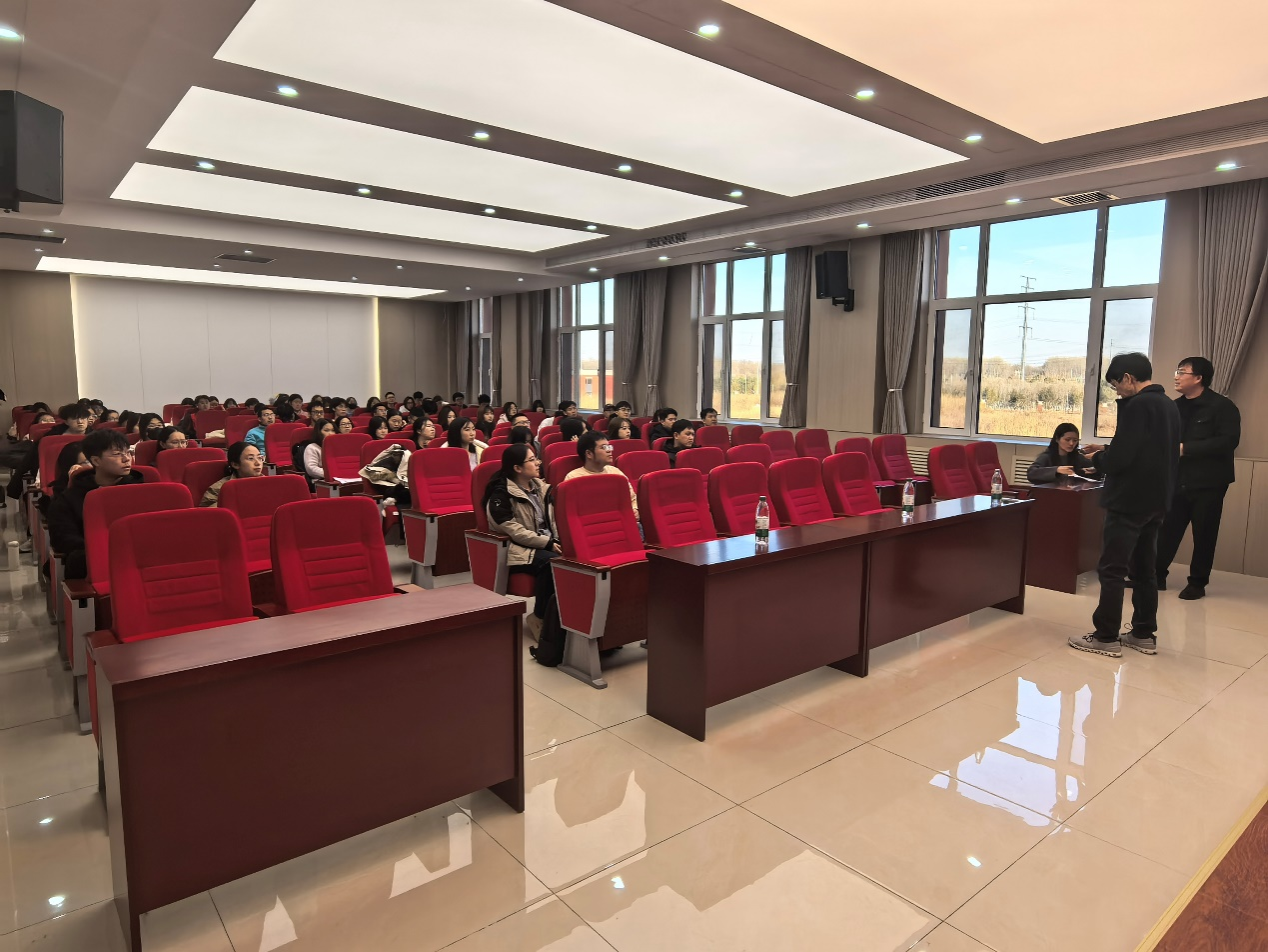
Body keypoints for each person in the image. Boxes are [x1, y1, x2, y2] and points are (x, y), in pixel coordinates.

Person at [1069, 353, 1179, 658]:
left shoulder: (1137, 405)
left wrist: (1098, 459)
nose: (1117, 391)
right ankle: (1143, 633)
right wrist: (1107, 449)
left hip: (1129, 501)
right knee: (1145, 569)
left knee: (1112, 569)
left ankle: (1105, 637)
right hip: (1157, 499)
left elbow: (1121, 459)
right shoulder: (1168, 405)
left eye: (1116, 384)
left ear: (1128, 378)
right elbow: (1150, 448)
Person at [1151, 357, 1241, 600]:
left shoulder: (1222, 406)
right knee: (1167, 529)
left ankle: (1197, 583)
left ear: (1199, 378)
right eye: (1177, 371)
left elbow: (1228, 441)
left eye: (1182, 372)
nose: (1176, 376)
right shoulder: (1174, 407)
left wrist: (1186, 449)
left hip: (1209, 483)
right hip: (1177, 479)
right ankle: (1156, 576)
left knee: (1204, 534)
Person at [484, 443, 557, 641]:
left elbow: (554, 520)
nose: (538, 463)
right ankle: (539, 617)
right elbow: (515, 532)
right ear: (517, 468)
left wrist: (559, 540)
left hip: (545, 542)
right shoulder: (501, 495)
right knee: (551, 562)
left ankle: (566, 619)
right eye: (532, 460)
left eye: (536, 458)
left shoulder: (542, 488)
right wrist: (548, 543)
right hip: (517, 549)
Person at [47, 429, 143, 579]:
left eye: (128, 452)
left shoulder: (145, 491)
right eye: (117, 454)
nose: (126, 459)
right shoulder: (70, 498)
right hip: (97, 561)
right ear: (96, 461)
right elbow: (63, 539)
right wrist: (103, 551)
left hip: (142, 558)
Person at [560, 431, 638, 518]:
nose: (609, 450)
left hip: (621, 520)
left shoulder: (615, 472)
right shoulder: (573, 477)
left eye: (609, 446)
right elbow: (571, 512)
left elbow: (632, 498)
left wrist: (635, 510)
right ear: (589, 454)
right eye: (603, 447)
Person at [1027, 423, 1102, 484]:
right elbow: (1031, 473)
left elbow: (1096, 470)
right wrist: (1057, 470)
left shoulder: (1078, 456)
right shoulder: (1047, 456)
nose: (1071, 443)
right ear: (1057, 439)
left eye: (1075, 440)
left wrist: (1091, 470)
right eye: (1067, 440)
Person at [201, 442, 265, 507]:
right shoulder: (220, 488)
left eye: (259, 458)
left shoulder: (267, 483)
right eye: (251, 458)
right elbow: (207, 511)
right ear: (235, 464)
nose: (258, 463)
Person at [300, 419, 336, 487]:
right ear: (319, 432)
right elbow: (311, 469)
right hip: (320, 482)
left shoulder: (336, 447)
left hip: (338, 479)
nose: (331, 433)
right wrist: (331, 474)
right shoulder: (312, 447)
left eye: (333, 430)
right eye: (326, 430)